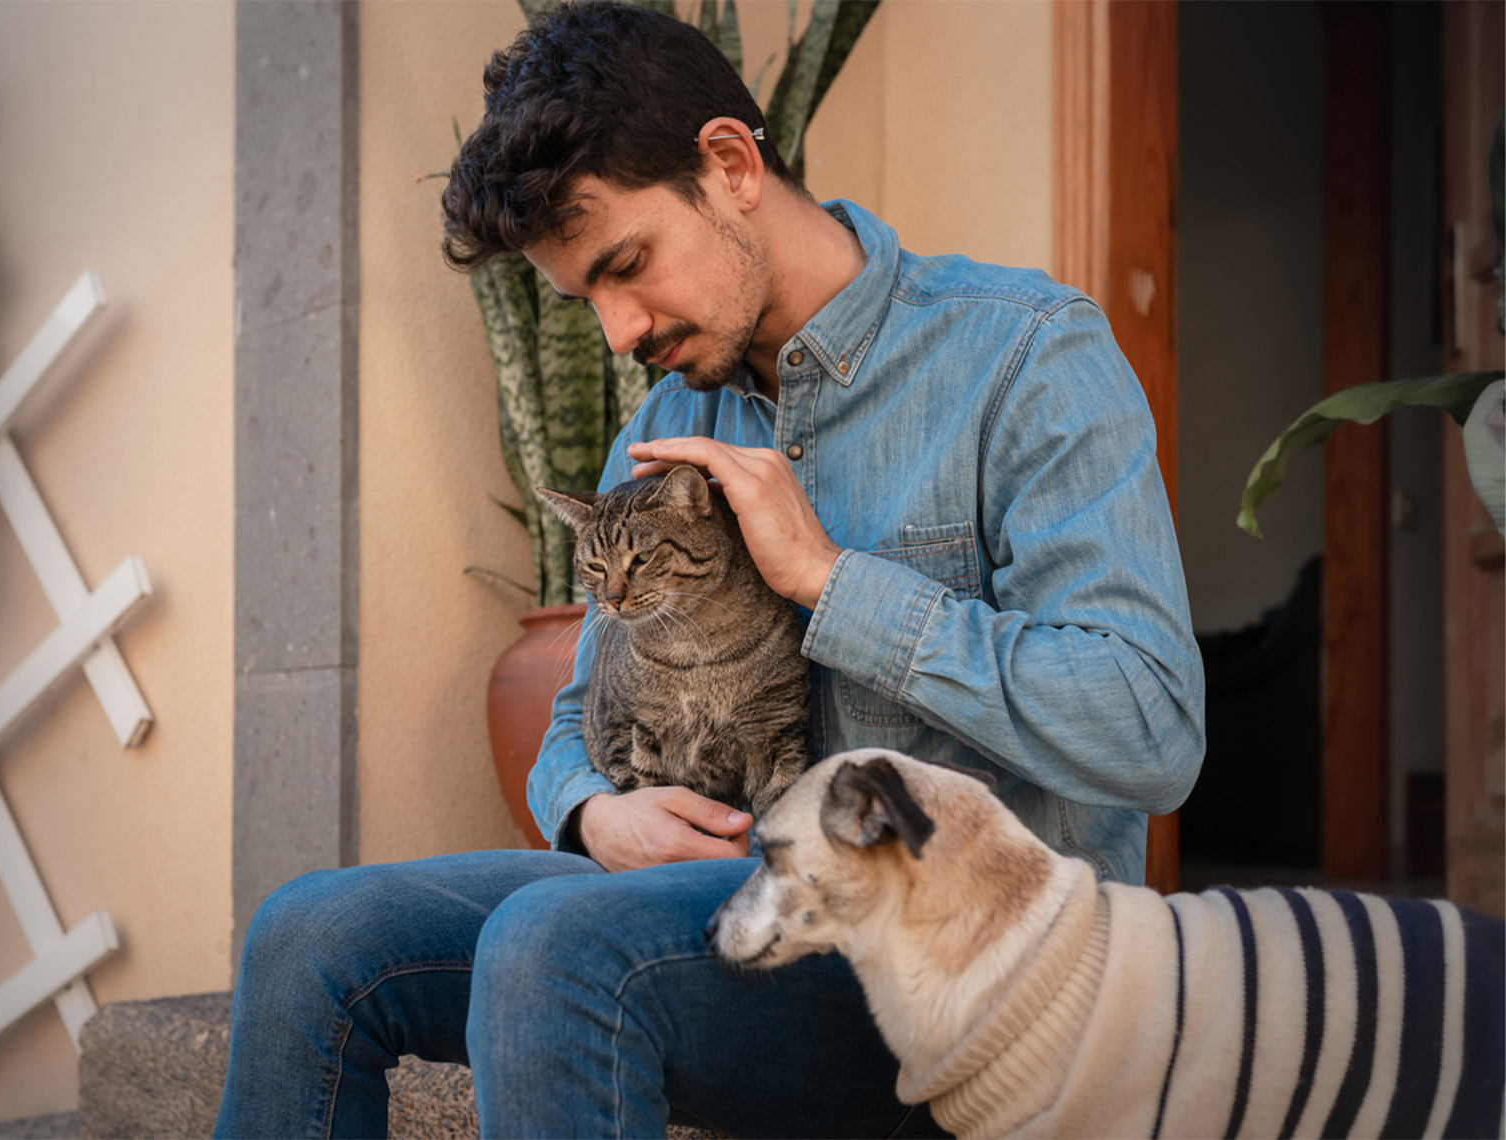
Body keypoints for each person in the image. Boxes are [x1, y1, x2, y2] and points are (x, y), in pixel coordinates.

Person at [214, 3, 1205, 1137]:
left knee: (553, 949)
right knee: (304, 936)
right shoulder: (667, 414)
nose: (618, 329)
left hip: (971, 962)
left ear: (730, 163)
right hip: (730, 910)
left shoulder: (1025, 354)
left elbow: (1152, 728)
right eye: (583, 298)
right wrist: (592, 817)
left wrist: (832, 581)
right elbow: (576, 723)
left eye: (625, 265)